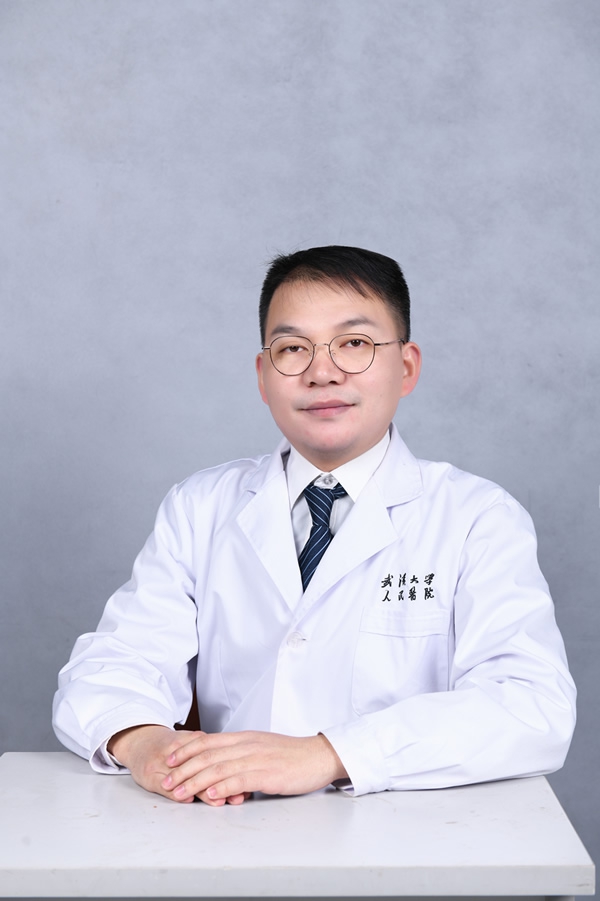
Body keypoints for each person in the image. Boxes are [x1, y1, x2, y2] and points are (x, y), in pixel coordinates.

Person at [53, 245, 576, 807]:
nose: (322, 372)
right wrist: (145, 743)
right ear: (263, 376)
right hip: (228, 828)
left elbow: (531, 706)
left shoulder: (477, 517)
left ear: (406, 367)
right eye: (292, 348)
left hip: (407, 833)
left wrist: (328, 754)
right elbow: (115, 662)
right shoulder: (200, 507)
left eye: (354, 343)